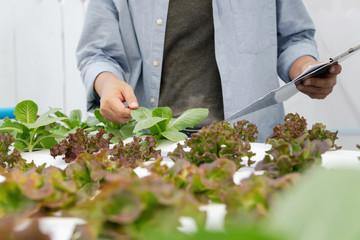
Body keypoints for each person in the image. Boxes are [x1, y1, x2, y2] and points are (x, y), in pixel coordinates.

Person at [76, 0, 341, 142]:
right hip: (156, 144)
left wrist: (306, 68)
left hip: (250, 143)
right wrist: (106, 83)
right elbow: (97, 53)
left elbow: (293, 38)